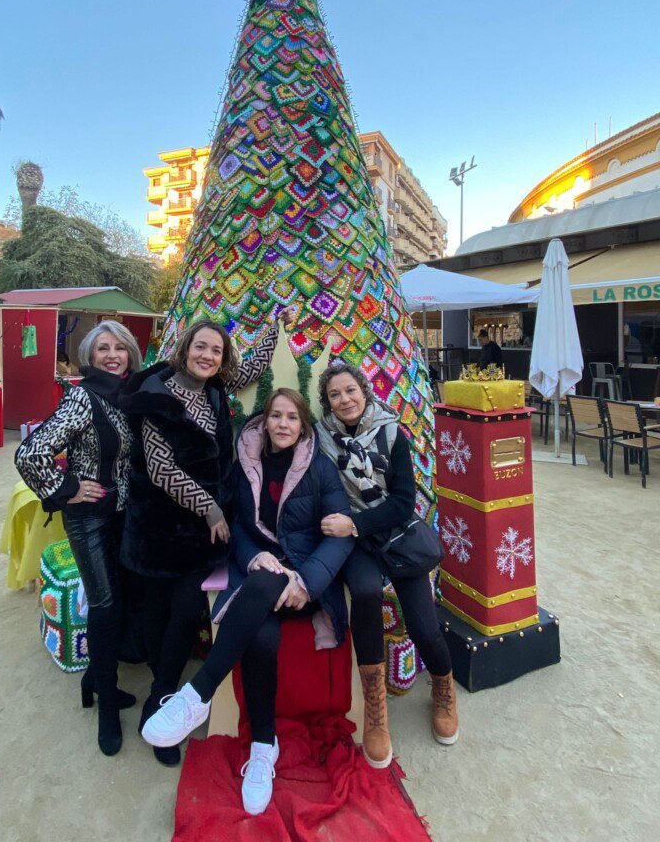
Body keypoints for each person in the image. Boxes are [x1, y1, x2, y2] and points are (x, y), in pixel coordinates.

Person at [141, 388, 354, 816]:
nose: (282, 424)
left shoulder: (321, 469)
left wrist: (307, 583)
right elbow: (238, 525)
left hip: (307, 580)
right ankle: (263, 747)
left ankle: (196, 694)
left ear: (303, 425)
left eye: (292, 417)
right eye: (275, 415)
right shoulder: (246, 466)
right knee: (261, 633)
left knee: (265, 584)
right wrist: (252, 555)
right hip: (258, 573)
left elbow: (339, 539)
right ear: (265, 421)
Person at [118, 315, 285, 767]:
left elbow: (247, 372)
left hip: (198, 535)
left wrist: (272, 326)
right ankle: (162, 694)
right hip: (158, 527)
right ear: (184, 348)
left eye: (216, 350)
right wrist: (211, 508)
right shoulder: (157, 395)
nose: (208, 355)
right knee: (157, 612)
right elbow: (159, 467)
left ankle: (163, 698)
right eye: (201, 347)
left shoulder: (214, 388)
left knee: (187, 611)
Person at [316, 360, 459, 768]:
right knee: (363, 592)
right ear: (327, 402)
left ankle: (443, 691)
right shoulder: (322, 440)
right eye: (335, 394)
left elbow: (402, 502)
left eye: (350, 391)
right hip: (356, 544)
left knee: (422, 623)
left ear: (365, 391)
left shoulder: (392, 432)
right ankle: (376, 714)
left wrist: (355, 523)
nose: (344, 400)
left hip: (392, 535)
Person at [15, 320, 142, 756]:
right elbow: (30, 452)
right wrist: (69, 487)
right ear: (89, 357)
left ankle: (94, 679)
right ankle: (107, 704)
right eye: (103, 348)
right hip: (89, 518)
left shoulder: (127, 396)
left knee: (119, 600)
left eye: (120, 347)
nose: (112, 354)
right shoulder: (83, 397)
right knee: (104, 606)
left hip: (124, 515)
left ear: (130, 354)